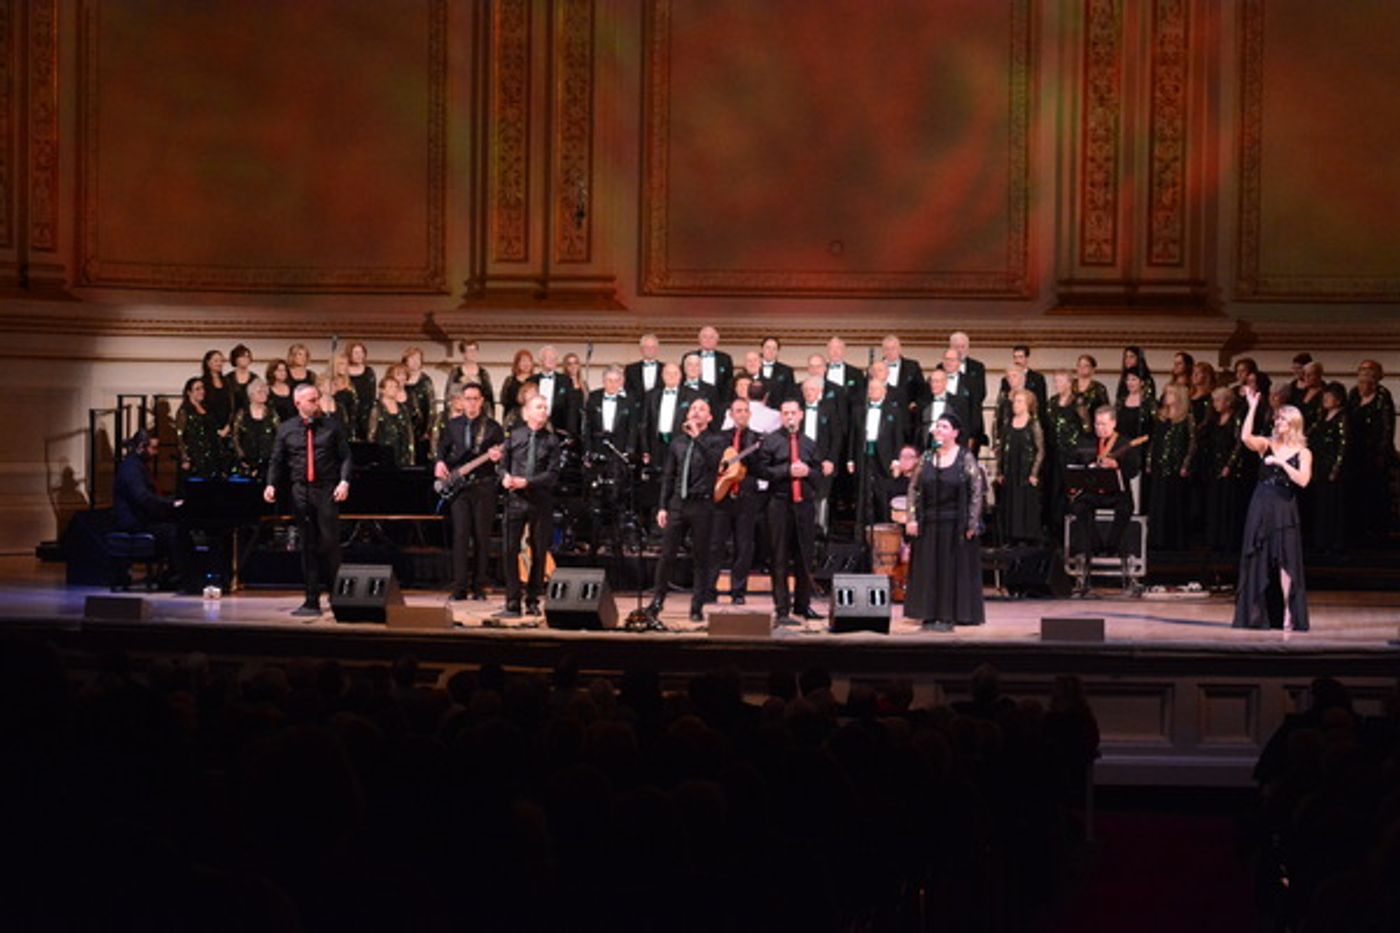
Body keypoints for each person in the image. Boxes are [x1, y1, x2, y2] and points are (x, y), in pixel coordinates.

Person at [263, 383, 352, 617]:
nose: (316, 404)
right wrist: (271, 484)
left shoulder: (331, 426)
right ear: (298, 403)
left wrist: (344, 482)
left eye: (317, 399)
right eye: (311, 400)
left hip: (326, 489)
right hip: (301, 490)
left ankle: (338, 596)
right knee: (308, 545)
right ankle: (311, 599)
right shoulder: (286, 429)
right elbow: (276, 460)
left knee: (330, 543)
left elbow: (346, 457)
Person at [1234, 387, 1311, 632]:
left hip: (1284, 508)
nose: (1278, 423)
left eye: (1283, 420)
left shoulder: (1304, 452)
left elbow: (1303, 481)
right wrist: (1252, 407)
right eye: (1277, 419)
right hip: (1261, 503)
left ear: (1293, 424)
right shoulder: (1266, 443)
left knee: (1286, 561)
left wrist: (1281, 463)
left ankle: (1289, 611)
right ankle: (1255, 613)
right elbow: (1246, 437)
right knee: (1258, 556)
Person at [903, 411, 987, 631]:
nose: (939, 430)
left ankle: (952, 613)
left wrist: (972, 522)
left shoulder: (965, 457)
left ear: (955, 433)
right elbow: (913, 488)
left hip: (955, 523)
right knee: (929, 568)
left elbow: (976, 490)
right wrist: (911, 517)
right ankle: (928, 612)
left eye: (944, 427)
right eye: (937, 426)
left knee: (951, 569)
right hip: (930, 521)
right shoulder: (927, 457)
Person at [648, 398, 726, 623]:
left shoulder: (716, 440)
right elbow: (669, 476)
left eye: (702, 409)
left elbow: (714, 463)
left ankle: (697, 605)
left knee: (700, 557)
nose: (696, 412)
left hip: (702, 504)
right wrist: (663, 506)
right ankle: (657, 601)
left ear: (709, 417)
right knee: (667, 555)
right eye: (693, 408)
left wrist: (698, 437)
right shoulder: (678, 442)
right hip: (678, 503)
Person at [756, 399, 823, 626]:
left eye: (793, 413)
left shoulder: (810, 443)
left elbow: (819, 475)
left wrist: (808, 472)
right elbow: (762, 471)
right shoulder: (771, 441)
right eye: (786, 413)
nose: (790, 417)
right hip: (779, 503)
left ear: (801, 415)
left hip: (804, 505)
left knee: (805, 556)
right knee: (780, 557)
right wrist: (787, 470)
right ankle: (782, 609)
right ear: (781, 416)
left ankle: (803, 605)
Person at [436, 382, 505, 601]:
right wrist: (439, 462)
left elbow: (505, 457)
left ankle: (479, 587)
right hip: (459, 488)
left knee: (482, 538)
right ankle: (459, 587)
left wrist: (498, 457)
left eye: (476, 399)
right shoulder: (452, 425)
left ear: (482, 401)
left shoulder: (493, 427)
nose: (472, 403)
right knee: (460, 536)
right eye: (468, 399)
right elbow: (441, 449)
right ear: (461, 401)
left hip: (483, 486)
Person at [1067, 406, 1143, 597]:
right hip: (1093, 492)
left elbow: (1134, 469)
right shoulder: (1086, 441)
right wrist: (1089, 466)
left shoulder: (1124, 443)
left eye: (1103, 424)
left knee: (1125, 507)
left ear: (1113, 423)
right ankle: (1094, 545)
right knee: (1079, 506)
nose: (1099, 428)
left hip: (1116, 493)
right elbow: (1074, 462)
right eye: (1097, 424)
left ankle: (1112, 545)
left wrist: (1118, 465)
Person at [498, 393, 561, 618]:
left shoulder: (552, 441)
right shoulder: (514, 436)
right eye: (539, 407)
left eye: (545, 407)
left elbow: (552, 474)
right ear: (527, 412)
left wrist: (528, 482)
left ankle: (533, 599)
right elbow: (502, 466)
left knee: (539, 550)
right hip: (515, 500)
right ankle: (512, 600)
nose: (543, 411)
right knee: (509, 550)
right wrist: (505, 477)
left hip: (540, 501)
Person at [709, 396, 764, 606]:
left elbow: (760, 469)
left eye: (745, 410)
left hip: (746, 498)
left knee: (744, 546)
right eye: (738, 410)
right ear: (731, 415)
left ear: (750, 414)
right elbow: (712, 463)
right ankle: (709, 589)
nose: (742, 414)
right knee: (716, 545)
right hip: (722, 497)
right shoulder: (719, 438)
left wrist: (749, 456)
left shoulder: (757, 439)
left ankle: (738, 591)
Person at [112, 430, 184, 588]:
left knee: (176, 527)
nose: (155, 452)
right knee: (174, 531)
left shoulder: (137, 466)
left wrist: (169, 502)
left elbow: (149, 496)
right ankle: (175, 575)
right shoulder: (131, 468)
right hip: (133, 523)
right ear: (141, 447)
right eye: (153, 448)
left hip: (141, 519)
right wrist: (170, 504)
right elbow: (142, 498)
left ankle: (175, 573)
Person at [847, 364, 907, 525]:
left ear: (884, 391)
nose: (873, 392)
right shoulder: (859, 410)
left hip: (884, 458)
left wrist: (897, 460)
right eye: (871, 389)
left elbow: (898, 437)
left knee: (882, 493)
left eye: (876, 389)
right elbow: (853, 435)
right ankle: (862, 530)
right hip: (863, 455)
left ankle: (884, 528)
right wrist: (850, 459)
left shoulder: (893, 411)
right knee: (862, 494)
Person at [1347, 361, 1395, 545]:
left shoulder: (1382, 396)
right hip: (1356, 452)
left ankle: (1377, 531)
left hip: (1375, 453)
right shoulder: (1353, 395)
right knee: (1357, 492)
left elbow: (1387, 427)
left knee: (1375, 492)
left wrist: (1382, 452)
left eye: (1366, 382)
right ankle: (1358, 529)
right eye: (1360, 381)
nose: (1362, 386)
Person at [1145, 383, 1196, 551]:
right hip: (1159, 464)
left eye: (1171, 394)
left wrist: (1186, 464)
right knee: (1158, 501)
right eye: (1166, 393)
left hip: (1176, 466)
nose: (1166, 397)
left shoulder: (1186, 418)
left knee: (1175, 502)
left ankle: (1174, 540)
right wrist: (1149, 460)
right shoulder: (1161, 416)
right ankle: (1156, 539)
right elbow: (1154, 441)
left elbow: (1192, 443)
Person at [1198, 386, 1244, 558]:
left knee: (1227, 504)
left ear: (1228, 402)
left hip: (1229, 468)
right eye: (1214, 401)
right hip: (1214, 465)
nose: (1215, 404)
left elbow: (1239, 444)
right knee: (1214, 503)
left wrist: (1230, 465)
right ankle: (1214, 540)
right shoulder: (1214, 419)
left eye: (1218, 400)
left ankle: (1227, 541)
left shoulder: (1236, 419)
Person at [995, 388, 1044, 546]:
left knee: (1024, 503)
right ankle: (1010, 536)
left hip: (1025, 470)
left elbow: (1040, 450)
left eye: (1019, 401)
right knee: (1010, 502)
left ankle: (1026, 536)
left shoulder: (1033, 424)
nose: (1015, 404)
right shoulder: (1008, 423)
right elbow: (1001, 449)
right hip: (1010, 469)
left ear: (1027, 404)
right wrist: (999, 471)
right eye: (1015, 401)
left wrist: (1034, 473)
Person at [1307, 382, 1348, 556]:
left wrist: (1336, 468)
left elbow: (1343, 445)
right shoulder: (1322, 418)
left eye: (1329, 396)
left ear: (1338, 399)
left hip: (1332, 467)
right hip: (1320, 465)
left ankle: (1333, 542)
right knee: (1321, 505)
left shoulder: (1342, 418)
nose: (1325, 399)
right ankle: (1321, 540)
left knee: (1332, 505)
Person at [175, 376, 225, 481]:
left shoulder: (208, 408)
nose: (202, 391)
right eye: (197, 389)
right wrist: (185, 458)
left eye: (202, 388)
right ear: (189, 392)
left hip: (211, 454)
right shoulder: (184, 411)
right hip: (194, 456)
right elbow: (180, 436)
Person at [231, 378, 279, 481]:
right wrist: (242, 457)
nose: (263, 394)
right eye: (259, 392)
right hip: (246, 462)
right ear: (251, 395)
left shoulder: (272, 413)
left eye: (265, 392)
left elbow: (279, 435)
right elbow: (235, 436)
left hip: (268, 463)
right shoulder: (242, 413)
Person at [529, 345, 582, 435]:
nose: (552, 360)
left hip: (559, 430)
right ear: (540, 361)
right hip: (534, 428)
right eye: (548, 357)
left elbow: (571, 408)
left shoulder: (565, 381)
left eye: (554, 358)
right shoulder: (531, 381)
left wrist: (571, 432)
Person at [367, 374, 414, 467]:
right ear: (382, 390)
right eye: (391, 386)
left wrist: (411, 455)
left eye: (396, 387)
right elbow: (371, 434)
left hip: (402, 452)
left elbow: (409, 432)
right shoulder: (377, 409)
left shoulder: (403, 408)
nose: (394, 389)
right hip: (383, 453)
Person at [401, 347, 437, 464]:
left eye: (418, 359)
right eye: (412, 358)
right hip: (403, 426)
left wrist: (429, 429)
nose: (415, 361)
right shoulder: (400, 378)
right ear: (406, 360)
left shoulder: (426, 381)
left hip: (421, 427)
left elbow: (432, 406)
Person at [445, 339, 495, 415]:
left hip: (480, 414)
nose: (472, 353)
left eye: (474, 350)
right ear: (463, 353)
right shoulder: (456, 373)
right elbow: (449, 396)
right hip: (460, 414)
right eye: (469, 351)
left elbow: (489, 397)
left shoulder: (483, 373)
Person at [691, 326, 734, 407]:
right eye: (705, 337)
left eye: (711, 337)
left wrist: (725, 403)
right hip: (694, 400)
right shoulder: (690, 356)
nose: (708, 340)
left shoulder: (725, 359)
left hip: (718, 401)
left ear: (717, 340)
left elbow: (729, 383)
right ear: (699, 339)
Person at [346, 342, 377, 442]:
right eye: (356, 352)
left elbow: (372, 394)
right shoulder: (344, 371)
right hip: (348, 411)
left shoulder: (369, 371)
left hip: (365, 413)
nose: (359, 355)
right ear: (350, 354)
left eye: (361, 352)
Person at [199, 349, 235, 433]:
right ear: (208, 363)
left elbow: (232, 406)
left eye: (221, 361)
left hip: (227, 429)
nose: (219, 363)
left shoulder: (228, 382)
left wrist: (228, 426)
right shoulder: (202, 383)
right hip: (208, 428)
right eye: (216, 361)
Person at [756, 335, 798, 405]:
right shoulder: (754, 368)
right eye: (768, 348)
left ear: (778, 351)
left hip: (778, 409)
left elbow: (790, 394)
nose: (770, 351)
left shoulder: (787, 371)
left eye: (774, 348)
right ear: (762, 349)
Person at [500, 348, 536, 425]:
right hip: (513, 418)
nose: (526, 364)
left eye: (529, 361)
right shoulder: (510, 380)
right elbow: (503, 400)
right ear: (517, 363)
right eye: (523, 361)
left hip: (531, 417)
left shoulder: (536, 380)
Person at [266, 358, 298, 423]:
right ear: (272, 372)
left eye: (284, 370)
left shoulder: (293, 389)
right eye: (279, 370)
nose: (283, 373)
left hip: (294, 425)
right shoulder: (267, 390)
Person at [228, 344, 256, 414]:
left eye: (247, 356)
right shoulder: (228, 379)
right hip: (231, 414)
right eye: (242, 356)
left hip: (250, 415)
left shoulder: (255, 379)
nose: (245, 359)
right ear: (235, 359)